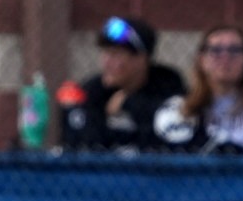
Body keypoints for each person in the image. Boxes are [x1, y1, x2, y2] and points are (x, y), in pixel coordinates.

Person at [158, 25, 243, 154]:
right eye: (215, 50)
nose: (225, 57)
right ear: (201, 60)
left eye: (234, 50)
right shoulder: (178, 109)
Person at [56, 15, 187, 153]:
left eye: (115, 54)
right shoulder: (93, 91)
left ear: (141, 59)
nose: (106, 62)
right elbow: (84, 143)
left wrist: (129, 103)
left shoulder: (168, 86)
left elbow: (172, 132)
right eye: (105, 53)